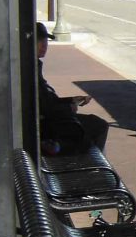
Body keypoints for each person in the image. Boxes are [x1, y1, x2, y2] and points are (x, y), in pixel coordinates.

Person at [36, 22, 109, 155]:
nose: (44, 45)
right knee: (98, 125)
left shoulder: (34, 66)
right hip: (48, 124)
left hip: (50, 118)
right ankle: (90, 165)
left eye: (46, 41)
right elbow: (44, 105)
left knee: (93, 124)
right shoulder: (31, 69)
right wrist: (68, 107)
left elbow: (46, 99)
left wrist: (71, 100)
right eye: (40, 41)